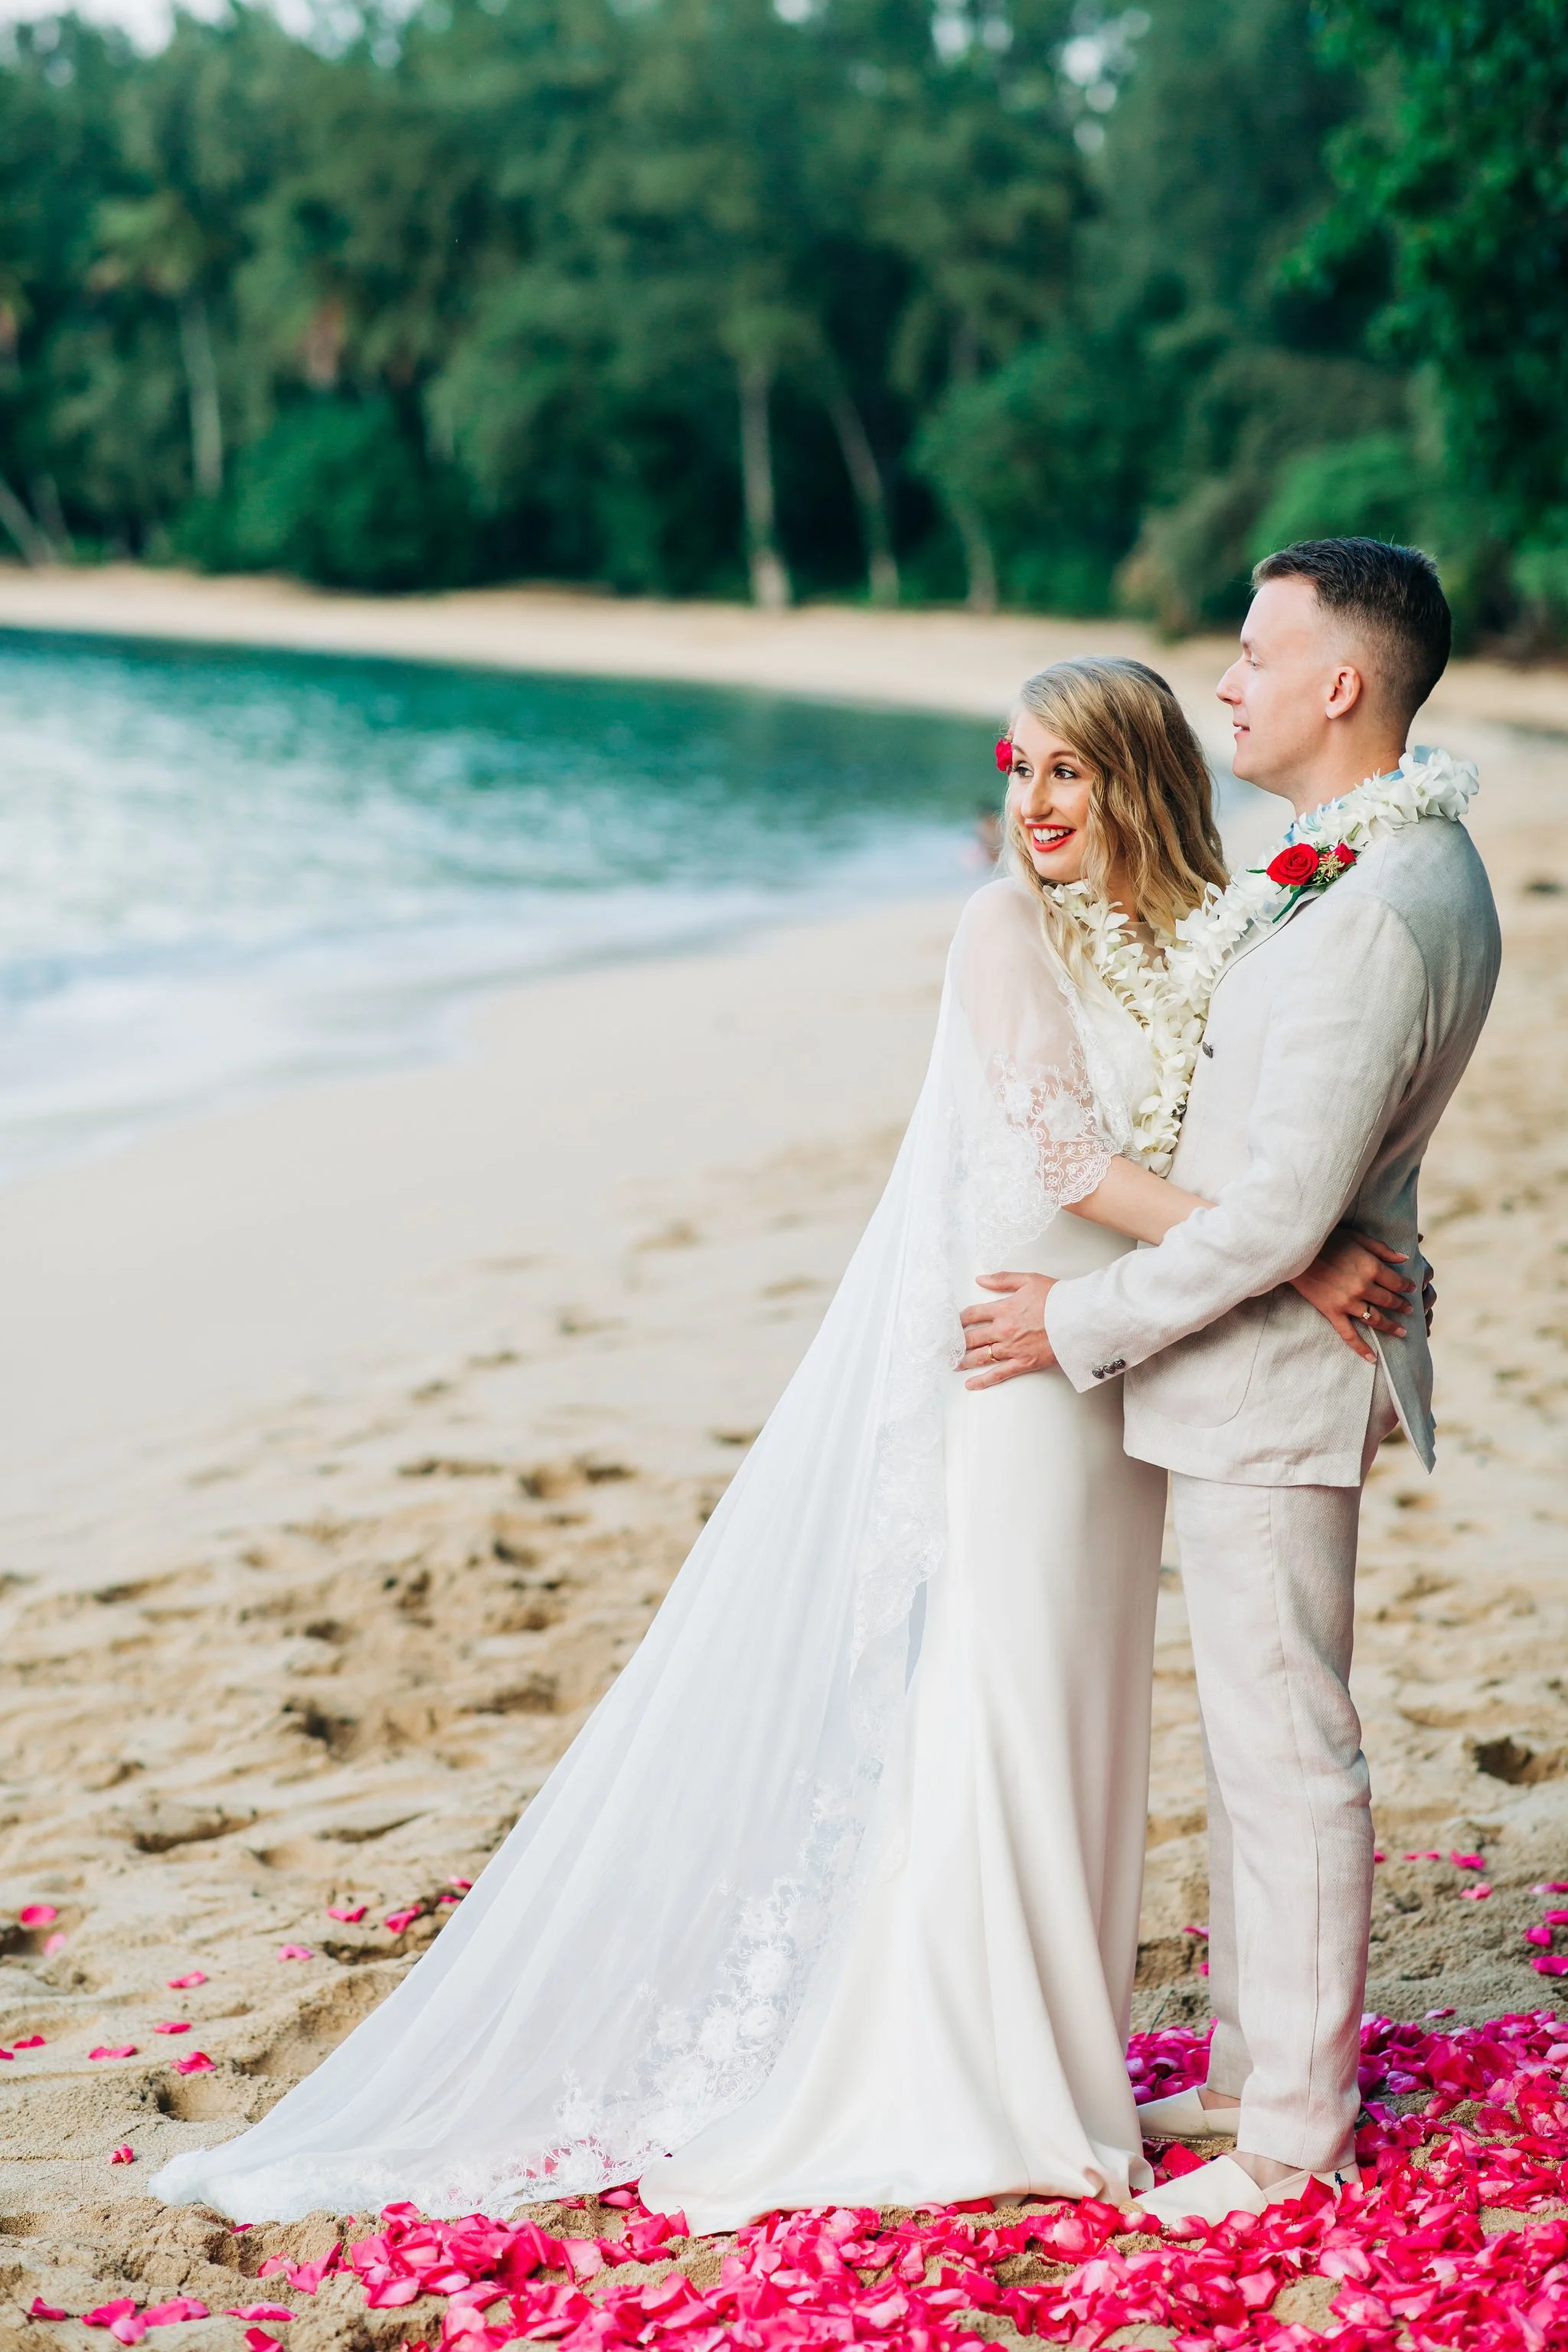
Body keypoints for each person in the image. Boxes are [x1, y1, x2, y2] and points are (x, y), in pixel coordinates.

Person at [149, 656, 1397, 2233]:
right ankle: (975, 2082)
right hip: (1019, 1356)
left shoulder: (1185, 931)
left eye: (1070, 773)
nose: (1036, 805)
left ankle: (1061, 2063)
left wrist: (1287, 1230)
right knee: (1002, 1706)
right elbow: (1067, 1153)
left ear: (1141, 773)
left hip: (1124, 1359)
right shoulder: (999, 926)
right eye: (1021, 772)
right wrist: (1296, 1250)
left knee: (1081, 1716)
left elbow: (1222, 1128)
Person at [958, 541, 1499, 2224]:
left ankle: (1294, 2135)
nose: (1227, 684)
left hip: (1273, 1373)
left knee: (1287, 1750)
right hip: (1257, 1355)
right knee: (1252, 1741)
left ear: (1342, 685)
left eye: (1256, 653)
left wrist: (1073, 1322)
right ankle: (1253, 2070)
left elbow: (1277, 1210)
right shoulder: (1337, 866)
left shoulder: (1386, 909)